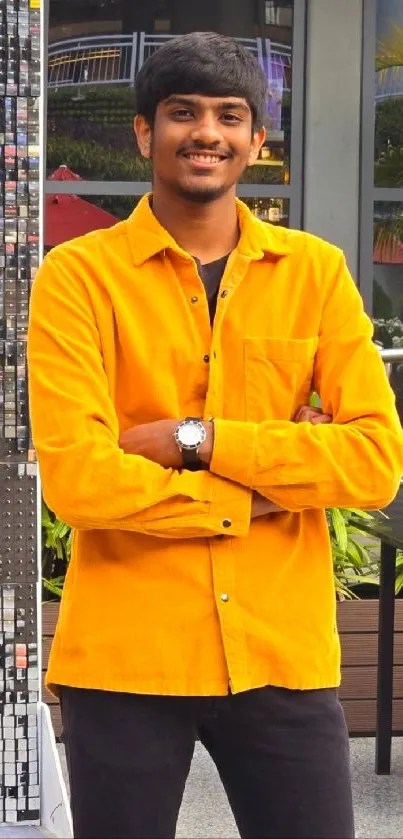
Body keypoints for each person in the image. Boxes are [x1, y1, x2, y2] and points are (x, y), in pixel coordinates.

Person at [28, 32, 403, 839]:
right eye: (181, 112)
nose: (207, 132)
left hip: (280, 654)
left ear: (255, 140)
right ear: (143, 132)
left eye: (230, 115)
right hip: (127, 657)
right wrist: (267, 489)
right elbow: (80, 479)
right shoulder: (76, 278)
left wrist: (192, 439)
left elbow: (373, 460)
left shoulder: (316, 274)